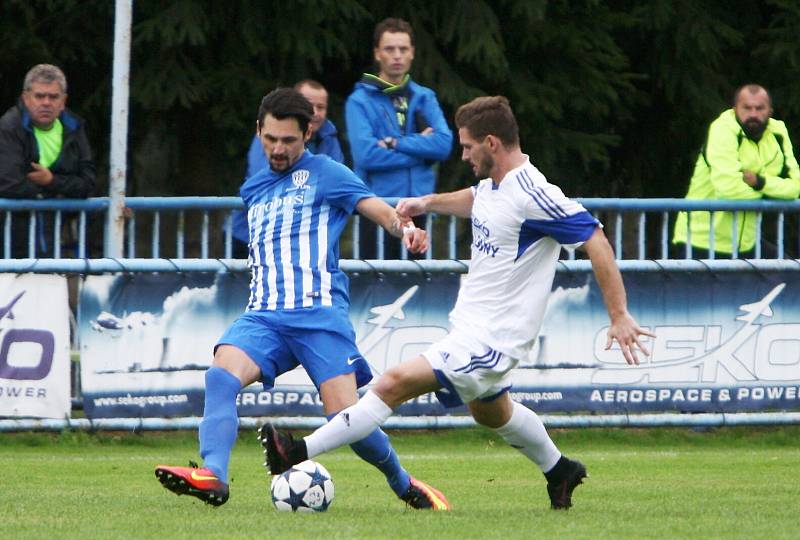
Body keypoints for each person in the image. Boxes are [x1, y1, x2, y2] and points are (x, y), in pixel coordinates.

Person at [260, 96, 654, 510]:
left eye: (467, 147)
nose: (462, 154)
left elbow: (595, 237)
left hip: (493, 340)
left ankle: (297, 451)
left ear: (491, 143)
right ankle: (560, 471)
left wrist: (619, 314)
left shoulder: (535, 193)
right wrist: (427, 203)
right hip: (472, 329)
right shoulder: (496, 184)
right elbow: (476, 197)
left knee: (391, 383)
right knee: (491, 413)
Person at [155, 88, 449, 510]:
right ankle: (214, 476)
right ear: (259, 131)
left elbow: (377, 208)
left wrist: (406, 230)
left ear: (307, 134)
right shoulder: (253, 188)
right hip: (264, 317)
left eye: (288, 141)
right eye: (270, 138)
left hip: (318, 315)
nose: (278, 148)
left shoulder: (327, 172)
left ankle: (403, 482)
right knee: (220, 377)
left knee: (345, 419)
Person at [346, 17, 452, 257]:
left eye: (403, 49)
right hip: (377, 209)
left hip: (419, 208)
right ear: (377, 53)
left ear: (412, 53)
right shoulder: (359, 101)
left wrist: (395, 143)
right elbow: (367, 156)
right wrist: (423, 154)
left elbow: (443, 145)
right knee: (376, 286)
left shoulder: (425, 97)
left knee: (416, 284)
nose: (397, 55)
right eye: (389, 49)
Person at [673, 84, 800, 258]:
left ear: (770, 111)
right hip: (700, 242)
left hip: (746, 243)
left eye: (760, 108)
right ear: (734, 110)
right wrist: (773, 192)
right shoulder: (722, 129)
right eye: (747, 108)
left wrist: (759, 182)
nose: (753, 114)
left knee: (790, 276)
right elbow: (728, 189)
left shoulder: (778, 132)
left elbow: (795, 187)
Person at [229, 80, 346, 258]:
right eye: (308, 104)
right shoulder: (271, 133)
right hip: (249, 234)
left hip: (300, 238)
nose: (314, 112)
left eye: (320, 107)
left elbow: (338, 179)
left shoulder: (328, 135)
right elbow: (268, 178)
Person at [0, 64, 96, 257]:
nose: (46, 103)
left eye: (53, 97)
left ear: (63, 101)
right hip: (9, 241)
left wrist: (51, 181)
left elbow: (89, 183)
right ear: (25, 98)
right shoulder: (9, 126)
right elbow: (8, 183)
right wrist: (60, 192)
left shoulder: (74, 128)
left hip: (55, 241)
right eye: (39, 96)